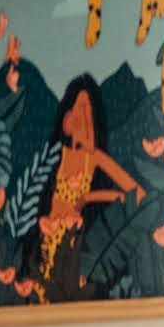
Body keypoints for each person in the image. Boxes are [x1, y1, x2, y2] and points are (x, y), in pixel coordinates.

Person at [31, 75, 135, 298]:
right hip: (46, 252)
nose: (82, 116)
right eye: (78, 107)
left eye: (87, 109)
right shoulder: (56, 157)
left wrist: (90, 198)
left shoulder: (95, 158)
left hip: (75, 256)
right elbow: (42, 204)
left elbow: (137, 194)